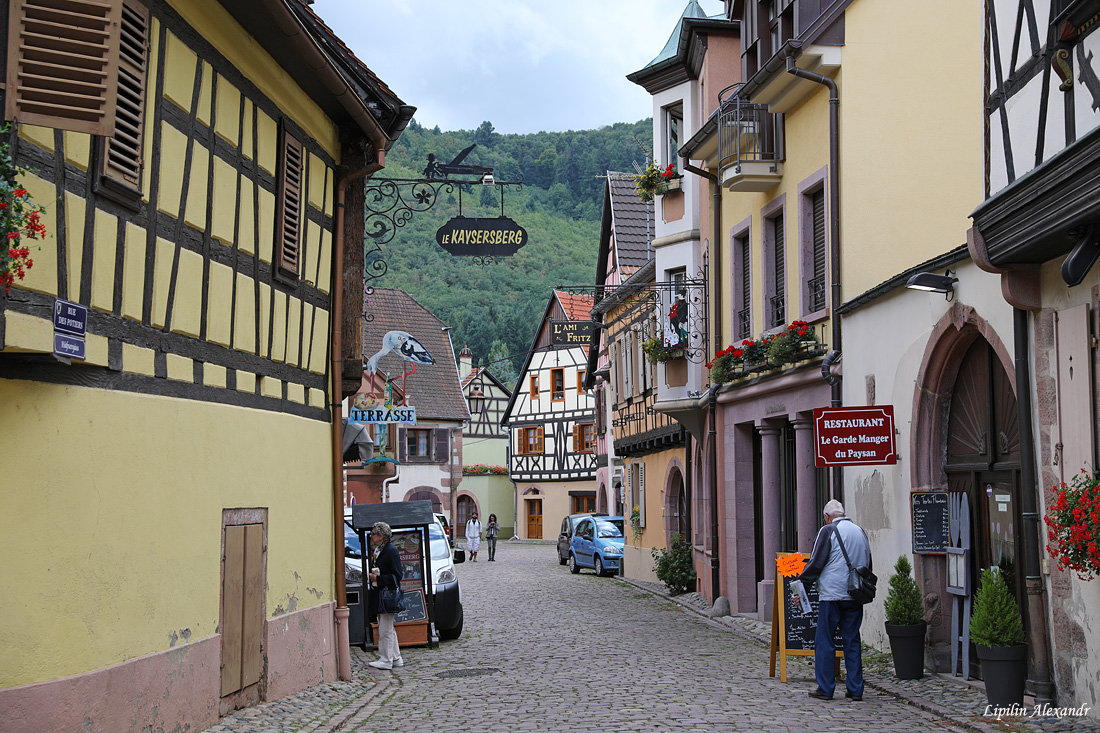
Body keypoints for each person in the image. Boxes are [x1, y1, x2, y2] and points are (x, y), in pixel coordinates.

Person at [797, 499, 871, 701]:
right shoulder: (859, 531)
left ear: (827, 517)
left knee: (825, 641)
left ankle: (826, 687)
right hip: (854, 593)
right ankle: (856, 689)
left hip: (831, 595)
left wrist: (802, 587)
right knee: (852, 640)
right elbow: (867, 561)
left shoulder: (828, 531)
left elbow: (816, 563)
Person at [368, 521, 404, 670]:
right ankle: (396, 658)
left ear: (382, 535)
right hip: (381, 593)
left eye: (373, 533)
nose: (371, 536)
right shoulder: (379, 549)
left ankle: (386, 659)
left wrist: (378, 579)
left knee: (385, 629)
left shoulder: (390, 550)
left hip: (387, 594)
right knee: (388, 627)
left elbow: (397, 575)